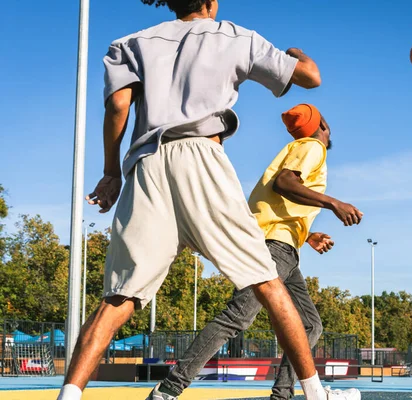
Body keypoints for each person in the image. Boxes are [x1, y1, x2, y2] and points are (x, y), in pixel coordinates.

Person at [56, 1, 350, 399]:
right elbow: (310, 77)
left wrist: (111, 172)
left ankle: (69, 394)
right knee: (265, 281)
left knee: (119, 295)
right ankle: (315, 394)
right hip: (200, 154)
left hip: (147, 163)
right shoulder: (233, 35)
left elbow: (118, 106)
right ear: (211, 2)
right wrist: (296, 53)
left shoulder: (131, 43)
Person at [150, 104, 363, 399]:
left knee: (310, 325)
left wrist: (307, 234)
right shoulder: (312, 146)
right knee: (237, 316)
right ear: (323, 125)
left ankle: (283, 393)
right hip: (273, 247)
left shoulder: (295, 147)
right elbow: (284, 183)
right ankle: (168, 390)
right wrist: (334, 203)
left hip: (282, 246)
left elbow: (275, 205)